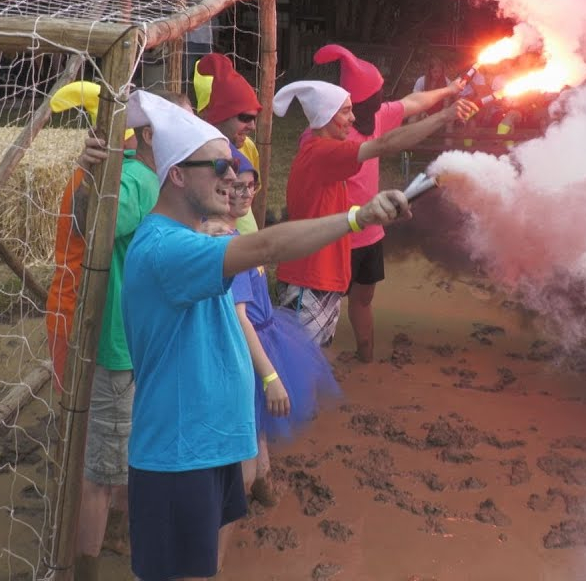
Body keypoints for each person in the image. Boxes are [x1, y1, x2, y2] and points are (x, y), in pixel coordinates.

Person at [121, 93, 413, 581]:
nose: (232, 177)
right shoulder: (167, 248)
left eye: (232, 167)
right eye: (217, 167)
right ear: (176, 174)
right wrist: (358, 218)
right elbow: (270, 244)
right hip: (179, 455)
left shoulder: (196, 238)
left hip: (211, 446)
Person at [44, 83, 181, 580]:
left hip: (121, 337)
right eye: (178, 129)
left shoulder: (145, 176)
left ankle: (110, 535)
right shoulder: (142, 180)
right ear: (146, 135)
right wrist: (89, 178)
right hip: (114, 341)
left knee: (114, 449)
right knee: (100, 466)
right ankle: (86, 565)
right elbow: (91, 223)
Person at [273, 77, 478, 355]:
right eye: (346, 111)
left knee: (313, 359)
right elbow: (384, 145)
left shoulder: (323, 151)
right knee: (299, 362)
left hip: (323, 276)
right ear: (326, 117)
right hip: (309, 278)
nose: (353, 117)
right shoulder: (321, 152)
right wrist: (445, 114)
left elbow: (338, 209)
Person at [206, 156, 341, 508]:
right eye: (238, 186)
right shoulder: (226, 244)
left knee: (258, 424)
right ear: (218, 189)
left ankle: (262, 484)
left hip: (266, 334)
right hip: (249, 346)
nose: (246, 193)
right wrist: (270, 376)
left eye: (251, 185)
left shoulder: (237, 232)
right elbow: (239, 318)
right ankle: (232, 508)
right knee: (246, 431)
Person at [193, 53, 263, 233]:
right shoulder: (195, 158)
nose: (252, 126)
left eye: (255, 118)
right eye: (245, 117)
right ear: (220, 115)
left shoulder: (248, 147)